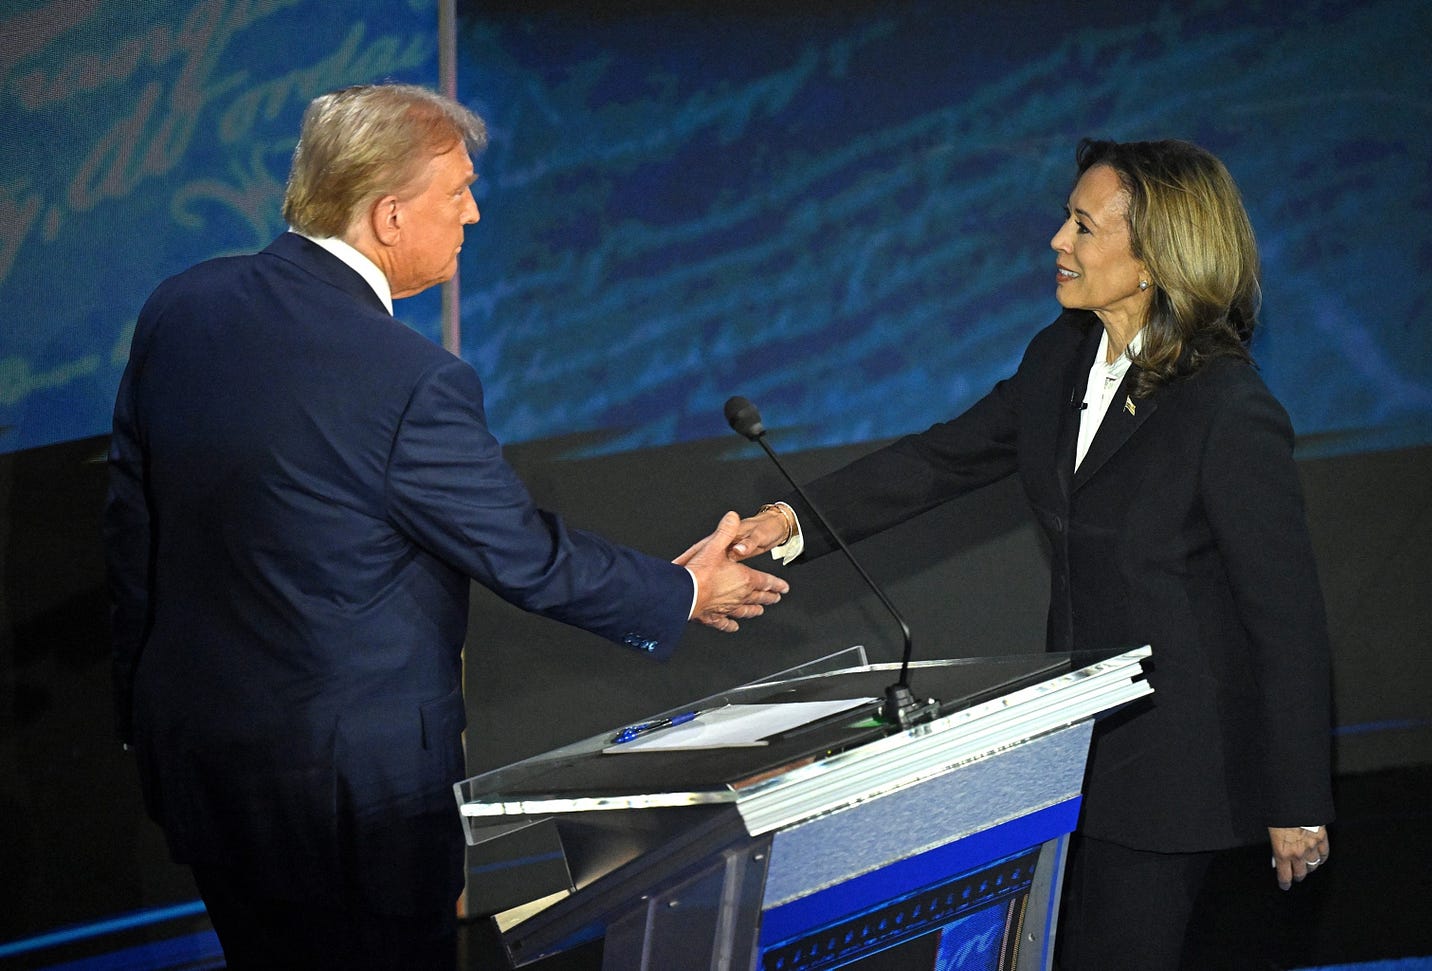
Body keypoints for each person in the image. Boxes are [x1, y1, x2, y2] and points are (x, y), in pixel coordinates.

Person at [103, 83, 789, 971]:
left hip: (206, 767)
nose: (473, 210)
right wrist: (686, 588)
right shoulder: (408, 379)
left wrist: (144, 715)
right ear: (388, 215)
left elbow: (132, 527)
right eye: (457, 190)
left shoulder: (182, 308)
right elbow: (523, 554)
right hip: (357, 808)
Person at [729, 138, 1333, 969]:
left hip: (1178, 768)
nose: (1058, 240)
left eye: (1083, 226)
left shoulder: (1227, 407)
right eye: (1066, 218)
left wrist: (1297, 798)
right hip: (1073, 755)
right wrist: (786, 519)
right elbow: (940, 459)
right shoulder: (1062, 355)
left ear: (1154, 256)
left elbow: (1286, 615)